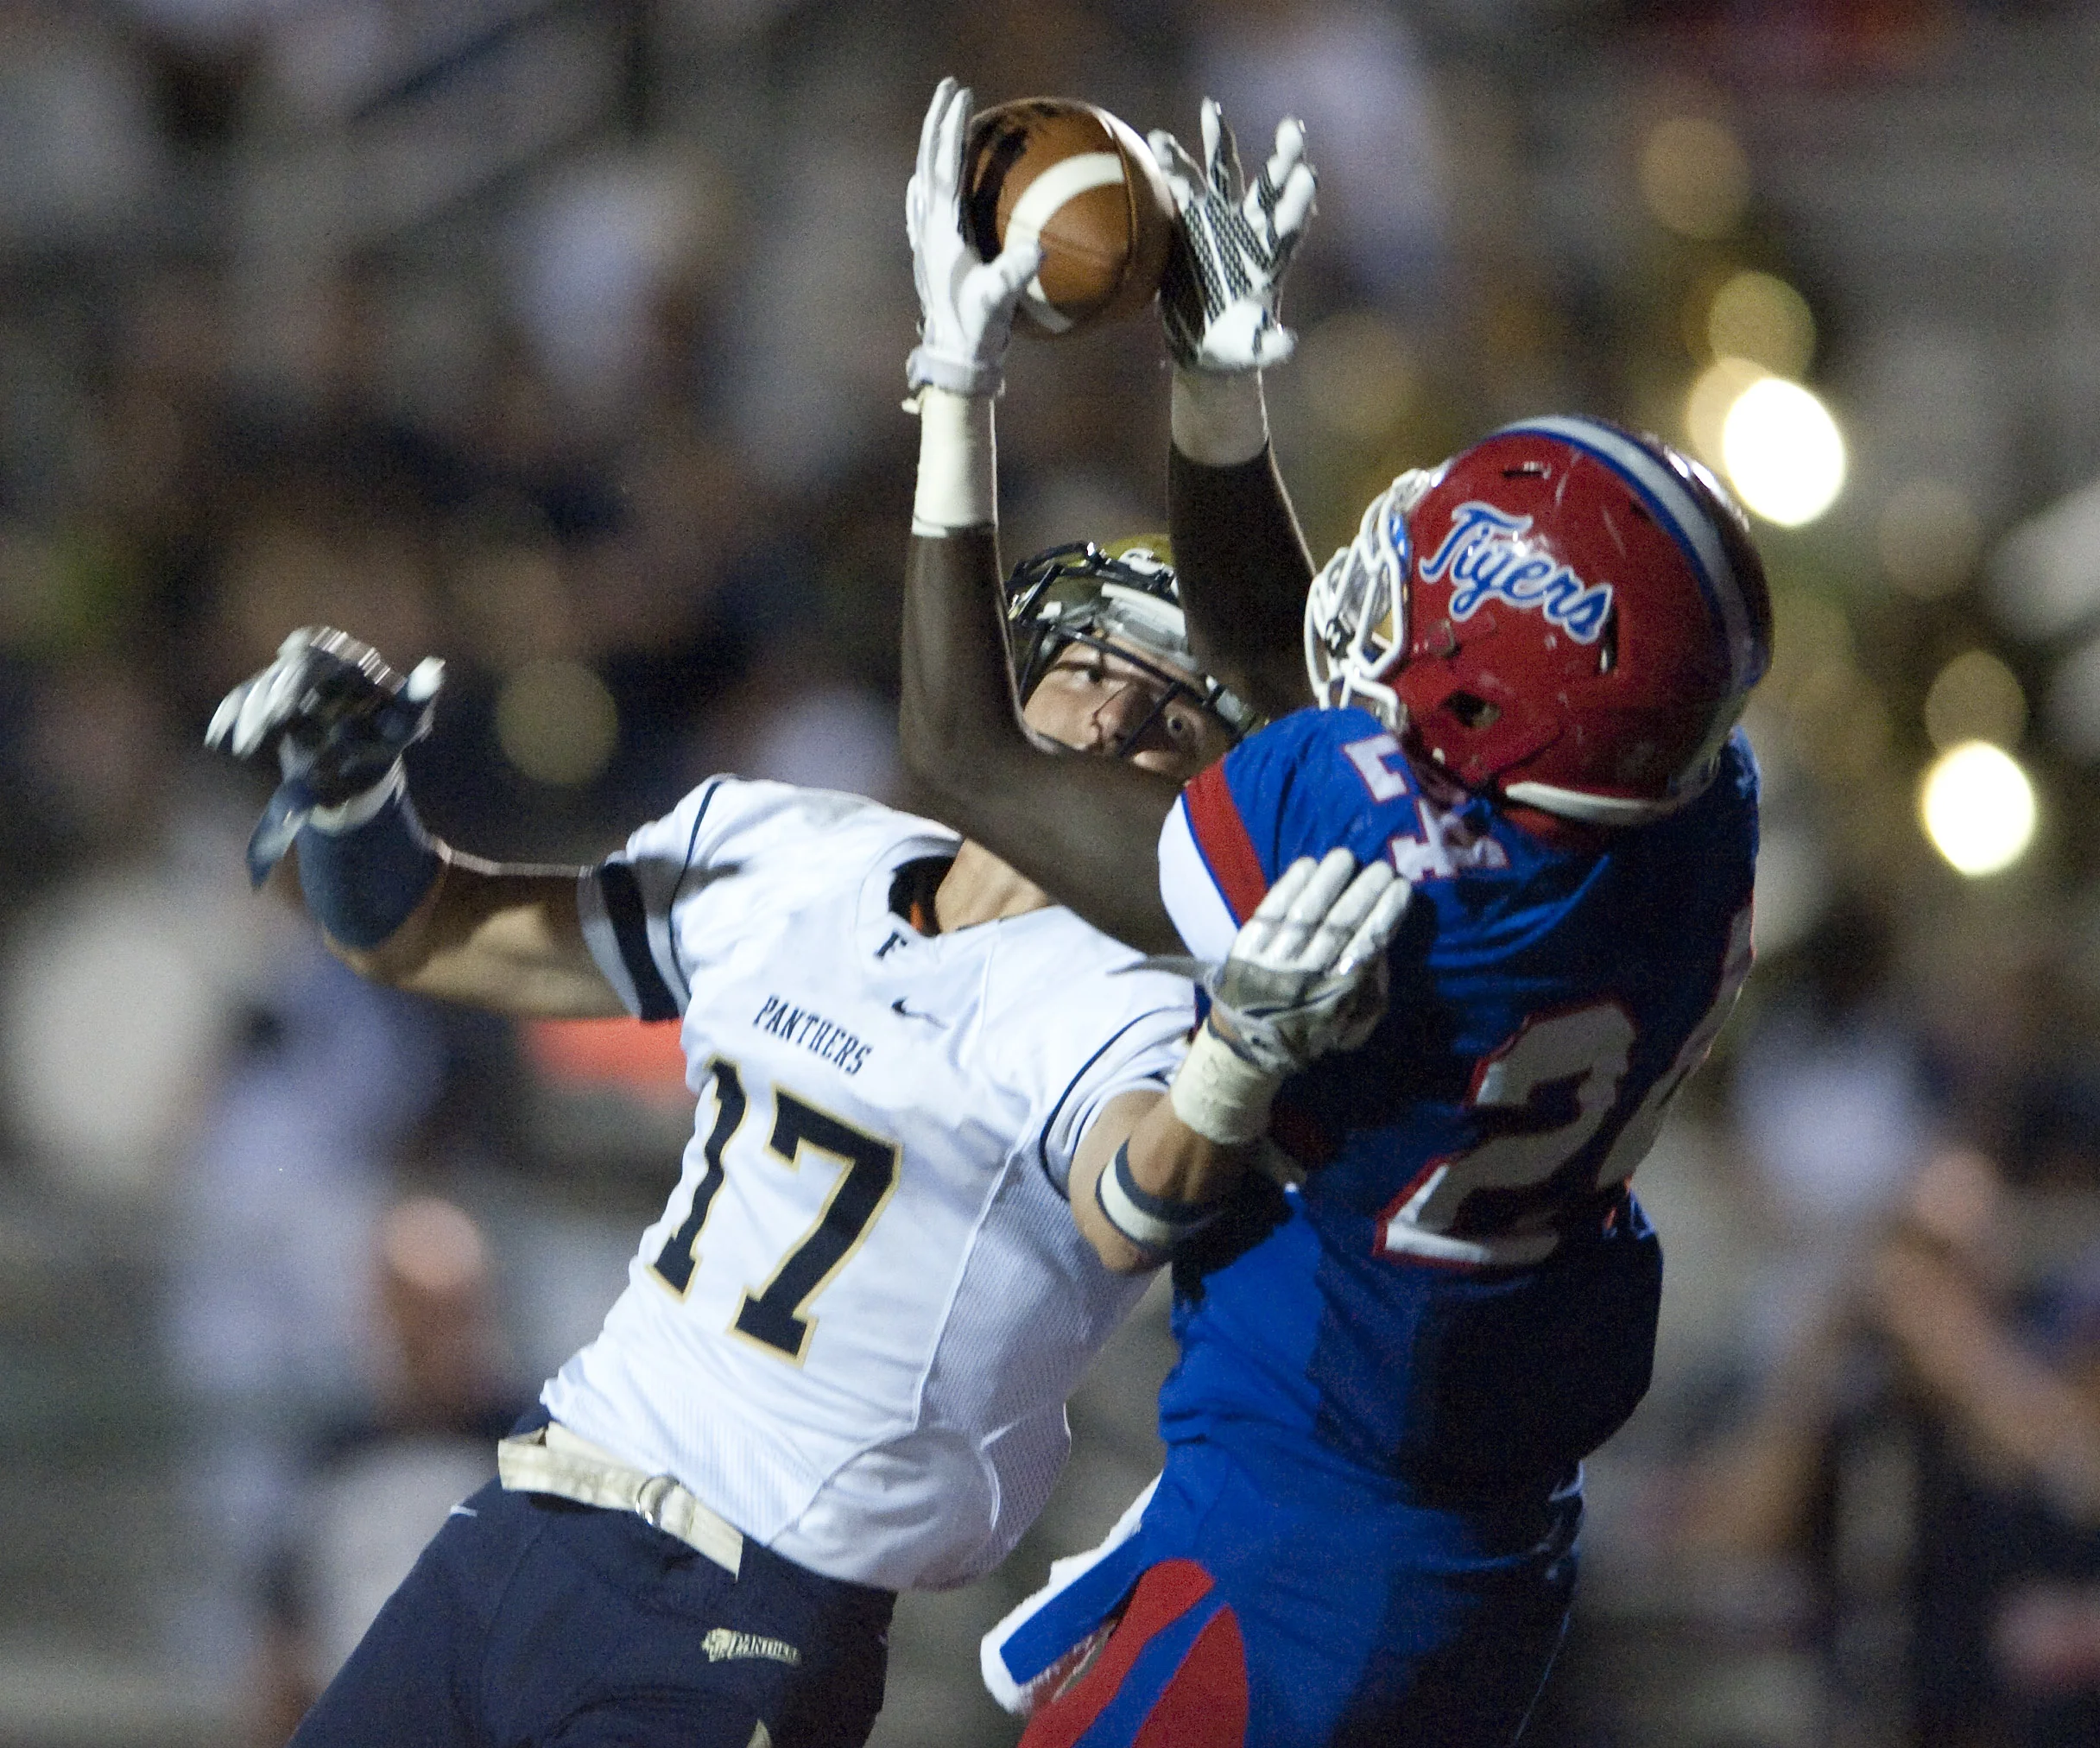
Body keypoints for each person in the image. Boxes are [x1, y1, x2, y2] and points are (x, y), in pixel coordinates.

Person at [897, 77, 1773, 1747]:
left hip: (1310, 1543)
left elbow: (968, 749)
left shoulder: (1385, 874)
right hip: (1476, 1524)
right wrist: (1216, 384)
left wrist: (958, 378)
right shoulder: (1688, 825)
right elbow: (1308, 679)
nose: (1402, 596)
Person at [204, 542, 1401, 1735]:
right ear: (1013, 673)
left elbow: (1138, 1201)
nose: (1111, 719)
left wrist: (1240, 1055)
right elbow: (418, 933)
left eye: (1172, 718)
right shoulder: (798, 853)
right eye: (1090, 668)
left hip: (744, 1607)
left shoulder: (1136, 1004)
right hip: (528, 1513)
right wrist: (356, 801)